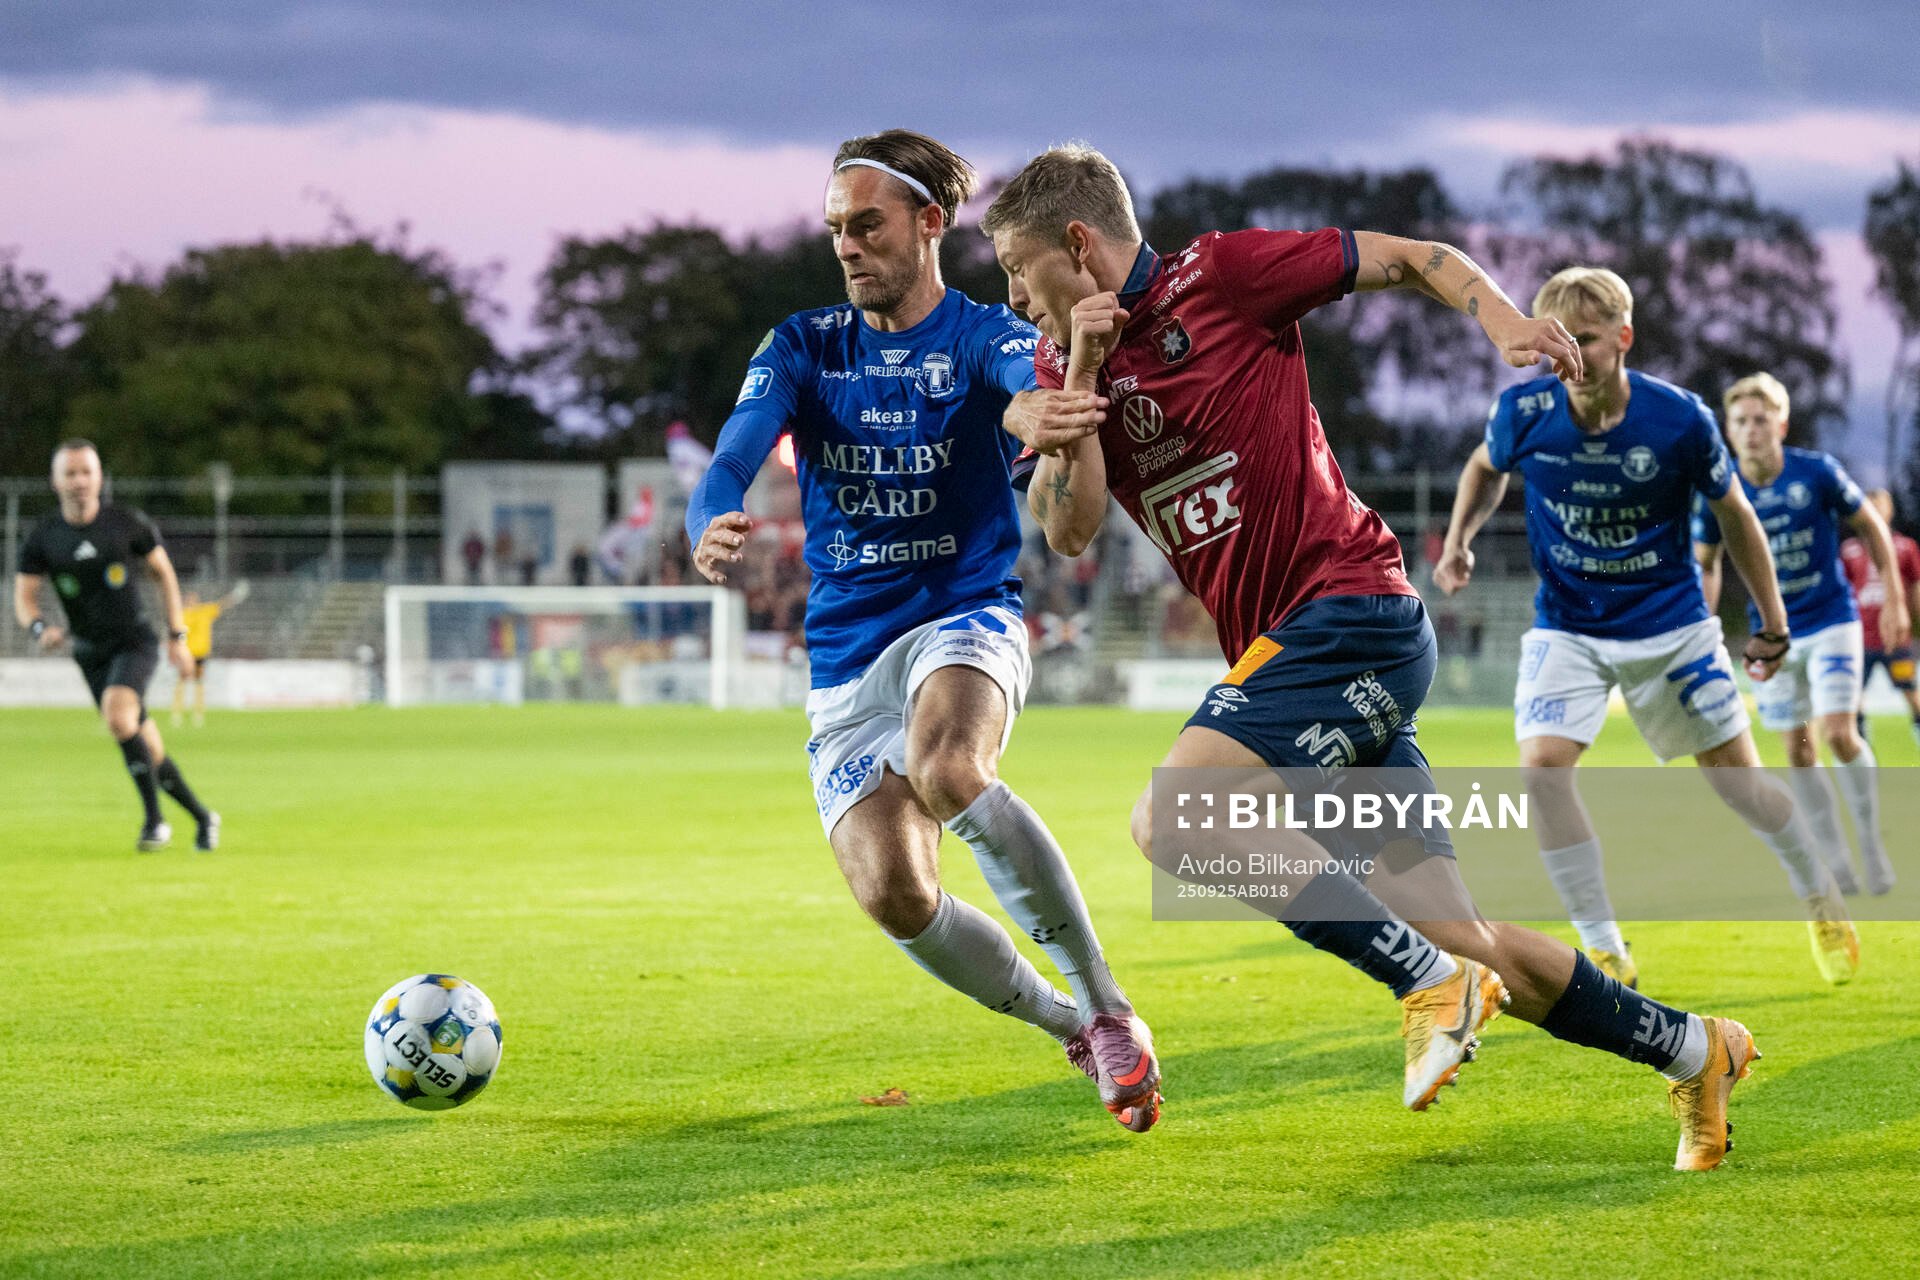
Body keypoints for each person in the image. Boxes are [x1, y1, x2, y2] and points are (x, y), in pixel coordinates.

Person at [986, 145, 1754, 1170]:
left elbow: (1414, 256)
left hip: (1351, 610)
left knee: (1176, 814)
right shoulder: (1060, 364)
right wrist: (1079, 369)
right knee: (1473, 938)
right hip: (1298, 651)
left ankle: (1421, 981)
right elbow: (1071, 528)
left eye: (1014, 267)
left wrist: (1505, 322)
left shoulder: (1219, 277)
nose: (1009, 293)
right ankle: (1695, 1047)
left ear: (1076, 244)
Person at [685, 130, 1160, 1131]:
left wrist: (1037, 414)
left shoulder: (981, 333)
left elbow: (1025, 389)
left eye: (868, 225)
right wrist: (706, 517)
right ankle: (1066, 1021)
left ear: (929, 223)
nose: (849, 246)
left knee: (949, 767)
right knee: (896, 895)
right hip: (848, 657)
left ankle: (1110, 1004)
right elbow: (733, 452)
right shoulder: (804, 345)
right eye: (835, 231)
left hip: (963, 616)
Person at [1439, 270, 1858, 988]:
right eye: (1557, 343)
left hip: (1670, 627)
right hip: (1567, 625)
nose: (1569, 357)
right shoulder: (1523, 412)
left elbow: (1736, 517)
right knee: (1541, 770)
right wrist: (1458, 540)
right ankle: (1604, 949)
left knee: (1740, 788)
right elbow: (1484, 468)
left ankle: (1818, 890)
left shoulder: (1679, 420)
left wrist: (1773, 623)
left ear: (1625, 338)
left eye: (1589, 341)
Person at [1694, 375, 1909, 896]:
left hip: (1833, 620)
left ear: (1781, 424)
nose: (1750, 430)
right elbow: (1707, 561)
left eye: (1760, 419)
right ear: (1729, 428)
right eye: (1740, 421)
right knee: (1800, 750)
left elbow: (1871, 526)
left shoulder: (1815, 472)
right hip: (1775, 636)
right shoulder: (1719, 490)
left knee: (1838, 732)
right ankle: (1838, 861)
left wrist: (1896, 598)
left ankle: (1873, 847)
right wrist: (1702, 628)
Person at [14, 440, 221, 852]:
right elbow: (24, 597)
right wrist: (40, 629)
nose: (79, 481)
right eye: (70, 474)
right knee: (145, 745)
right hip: (89, 652)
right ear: (55, 482)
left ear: (100, 478)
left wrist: (176, 636)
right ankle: (202, 817)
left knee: (117, 715)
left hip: (134, 642)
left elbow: (164, 574)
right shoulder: (43, 537)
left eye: (86, 472)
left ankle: (154, 823)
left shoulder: (125, 524)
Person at [1843, 488, 1920, 750]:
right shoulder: (1850, 549)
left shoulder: (1905, 546)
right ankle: (1863, 755)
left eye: (1880, 505)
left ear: (1890, 509)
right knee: (1853, 700)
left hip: (1896, 641)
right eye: (1870, 505)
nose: (1875, 510)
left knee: (1911, 693)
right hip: (1860, 641)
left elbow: (1916, 586)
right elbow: (1843, 591)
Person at [171, 582, 248, 727]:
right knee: (182, 682)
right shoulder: (181, 615)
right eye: (188, 599)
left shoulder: (203, 611)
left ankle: (198, 713)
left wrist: (235, 596)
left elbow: (221, 605)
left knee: (199, 683)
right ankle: (177, 712)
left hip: (200, 652)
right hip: (186, 654)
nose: (190, 601)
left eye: (193, 599)